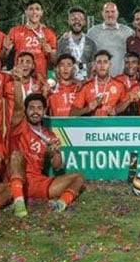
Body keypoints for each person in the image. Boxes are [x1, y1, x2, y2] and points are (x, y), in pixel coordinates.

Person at [9, 74, 85, 213]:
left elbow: (57, 167)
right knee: (16, 155)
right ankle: (19, 203)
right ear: (25, 111)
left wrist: (55, 152)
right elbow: (18, 105)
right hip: (17, 179)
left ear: (44, 111)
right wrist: (18, 82)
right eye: (31, 108)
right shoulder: (19, 126)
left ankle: (61, 204)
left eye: (39, 108)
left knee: (78, 178)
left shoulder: (49, 135)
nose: (35, 112)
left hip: (38, 182)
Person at [4, 0, 57, 78]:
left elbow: (54, 61)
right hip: (20, 77)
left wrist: (50, 52)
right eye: (31, 9)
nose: (34, 12)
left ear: (41, 12)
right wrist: (6, 50)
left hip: (40, 79)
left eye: (37, 9)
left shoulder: (49, 33)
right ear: (26, 12)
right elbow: (4, 57)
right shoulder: (15, 31)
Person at [70, 50, 126, 116]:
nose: (102, 65)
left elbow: (125, 106)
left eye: (105, 62)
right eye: (99, 62)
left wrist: (116, 110)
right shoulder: (86, 87)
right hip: (93, 125)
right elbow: (72, 113)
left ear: (110, 65)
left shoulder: (119, 85)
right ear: (95, 65)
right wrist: (87, 109)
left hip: (112, 125)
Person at [87, 2, 134, 77]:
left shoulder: (128, 32)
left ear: (117, 13)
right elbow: (85, 54)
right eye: (107, 12)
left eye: (113, 11)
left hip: (121, 78)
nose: (110, 15)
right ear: (102, 13)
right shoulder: (92, 32)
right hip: (100, 79)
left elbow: (139, 43)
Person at [3, 52, 48, 127]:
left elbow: (42, 108)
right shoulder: (7, 85)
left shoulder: (39, 85)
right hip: (14, 128)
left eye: (28, 62)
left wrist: (45, 93)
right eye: (21, 61)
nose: (24, 64)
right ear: (16, 66)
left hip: (33, 129)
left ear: (33, 66)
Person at [57, 7, 96, 81]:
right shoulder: (61, 42)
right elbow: (57, 65)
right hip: (67, 84)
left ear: (84, 22)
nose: (77, 22)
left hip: (86, 84)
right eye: (73, 19)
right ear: (68, 21)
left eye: (80, 19)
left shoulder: (91, 43)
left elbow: (94, 65)